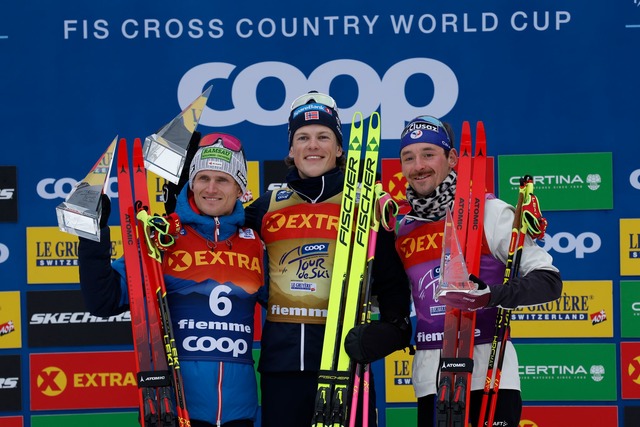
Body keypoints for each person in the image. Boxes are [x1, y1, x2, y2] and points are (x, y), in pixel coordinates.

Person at [244, 91, 412, 427]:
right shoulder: (264, 208)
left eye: (324, 137)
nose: (313, 146)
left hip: (346, 361)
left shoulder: (366, 204)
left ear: (338, 148)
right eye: (302, 138)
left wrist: (394, 330)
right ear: (291, 150)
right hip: (282, 367)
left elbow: (392, 282)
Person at [78, 133, 264, 427]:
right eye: (202, 178)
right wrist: (93, 236)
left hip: (240, 413)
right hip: (173, 409)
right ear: (191, 182)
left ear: (240, 187)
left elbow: (287, 307)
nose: (211, 188)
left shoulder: (255, 244)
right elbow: (104, 299)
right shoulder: (163, 239)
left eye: (223, 180)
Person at [388, 115, 563, 426]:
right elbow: (395, 297)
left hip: (490, 376)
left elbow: (549, 282)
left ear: (452, 158)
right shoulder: (402, 228)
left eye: (429, 154)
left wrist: (490, 296)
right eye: (408, 157)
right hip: (431, 378)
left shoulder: (489, 212)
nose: (418, 166)